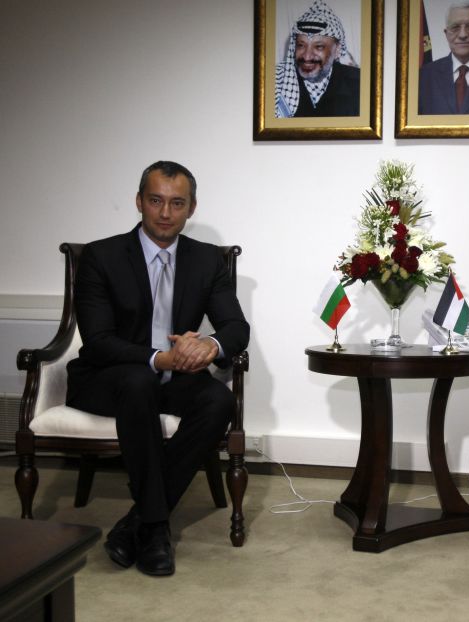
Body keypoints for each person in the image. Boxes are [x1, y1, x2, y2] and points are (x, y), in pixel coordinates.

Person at [66, 161, 250, 576]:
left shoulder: (206, 260)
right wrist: (158, 358)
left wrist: (207, 346)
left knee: (218, 400)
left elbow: (237, 327)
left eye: (176, 203)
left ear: (191, 208)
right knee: (137, 381)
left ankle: (139, 521)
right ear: (139, 202)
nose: (165, 213)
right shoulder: (102, 256)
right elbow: (97, 341)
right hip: (107, 378)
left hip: (172, 378)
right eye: (155, 201)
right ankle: (154, 530)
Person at [274, 0, 360, 118]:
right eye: (301, 45)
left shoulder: (359, 83)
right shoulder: (277, 81)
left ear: (337, 50)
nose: (307, 56)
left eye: (318, 47)